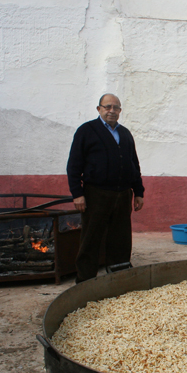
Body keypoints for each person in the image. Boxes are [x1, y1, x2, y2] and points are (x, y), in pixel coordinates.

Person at [66, 93, 145, 283]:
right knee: (91, 238)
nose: (112, 111)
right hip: (96, 194)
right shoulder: (86, 131)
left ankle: (119, 279)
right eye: (107, 107)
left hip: (123, 194)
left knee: (121, 239)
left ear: (120, 111)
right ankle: (85, 282)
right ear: (99, 109)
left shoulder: (125, 133)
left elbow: (133, 164)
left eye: (116, 107)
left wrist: (139, 192)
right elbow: (74, 165)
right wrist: (77, 194)